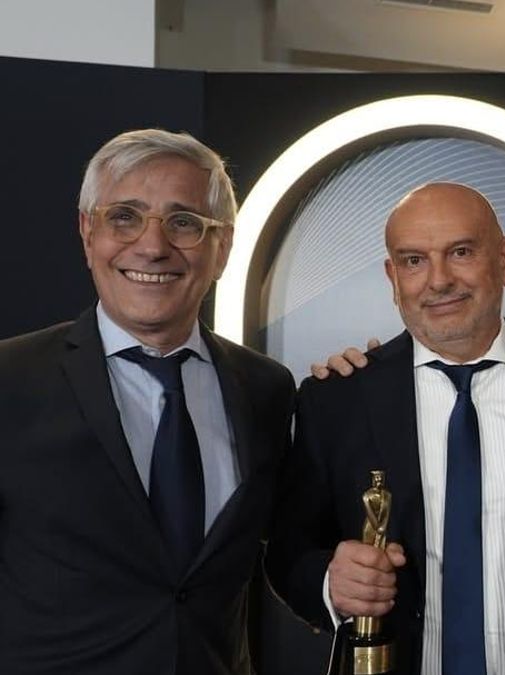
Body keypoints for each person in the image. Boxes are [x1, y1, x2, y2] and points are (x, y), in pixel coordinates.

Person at [266, 183, 505, 675]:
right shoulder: (336, 399)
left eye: (461, 252)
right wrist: (331, 582)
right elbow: (288, 550)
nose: (439, 280)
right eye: (414, 261)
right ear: (392, 277)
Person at [0, 129, 295, 674]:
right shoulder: (9, 380)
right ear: (88, 233)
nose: (153, 246)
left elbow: (287, 555)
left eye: (183, 222)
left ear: (222, 248)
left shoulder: (266, 391)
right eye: (124, 217)